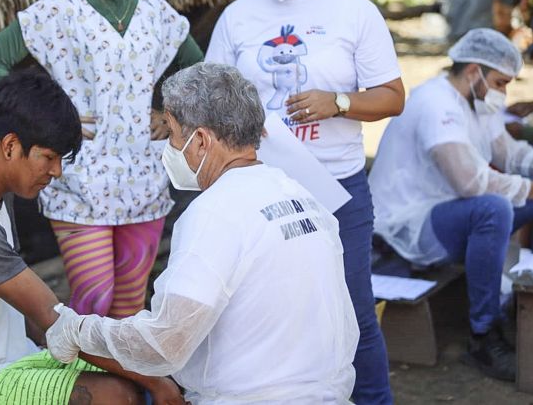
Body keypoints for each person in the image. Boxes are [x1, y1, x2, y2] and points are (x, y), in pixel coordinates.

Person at [46, 62, 360, 403]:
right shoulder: (298, 194)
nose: (168, 147)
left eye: (171, 133)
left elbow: (166, 343)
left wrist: (80, 331)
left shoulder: (216, 212)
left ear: (199, 141)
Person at [204, 0, 403, 404]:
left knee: (352, 307)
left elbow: (393, 97)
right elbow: (212, 94)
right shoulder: (238, 17)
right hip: (258, 189)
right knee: (268, 307)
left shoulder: (353, 12)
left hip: (336, 189)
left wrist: (337, 103)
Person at [0, 0, 203, 320]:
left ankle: (126, 386)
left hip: (143, 180)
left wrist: (171, 115)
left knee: (130, 306)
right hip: (77, 177)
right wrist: (42, 120)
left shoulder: (157, 14)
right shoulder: (56, 11)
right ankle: (86, 386)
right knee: (93, 300)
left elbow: (198, 69)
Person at [0, 70, 184, 404]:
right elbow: (51, 316)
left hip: (12, 360)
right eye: (48, 157)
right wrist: (158, 383)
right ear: (10, 146)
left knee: (135, 371)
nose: (57, 171)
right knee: (115, 395)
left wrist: (143, 371)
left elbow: (31, 314)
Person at [369, 28, 533, 382]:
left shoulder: (476, 102)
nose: (504, 92)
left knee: (527, 199)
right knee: (493, 209)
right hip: (406, 227)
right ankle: (484, 336)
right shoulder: (436, 104)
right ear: (473, 72)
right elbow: (471, 183)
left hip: (446, 212)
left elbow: (509, 154)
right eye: (500, 82)